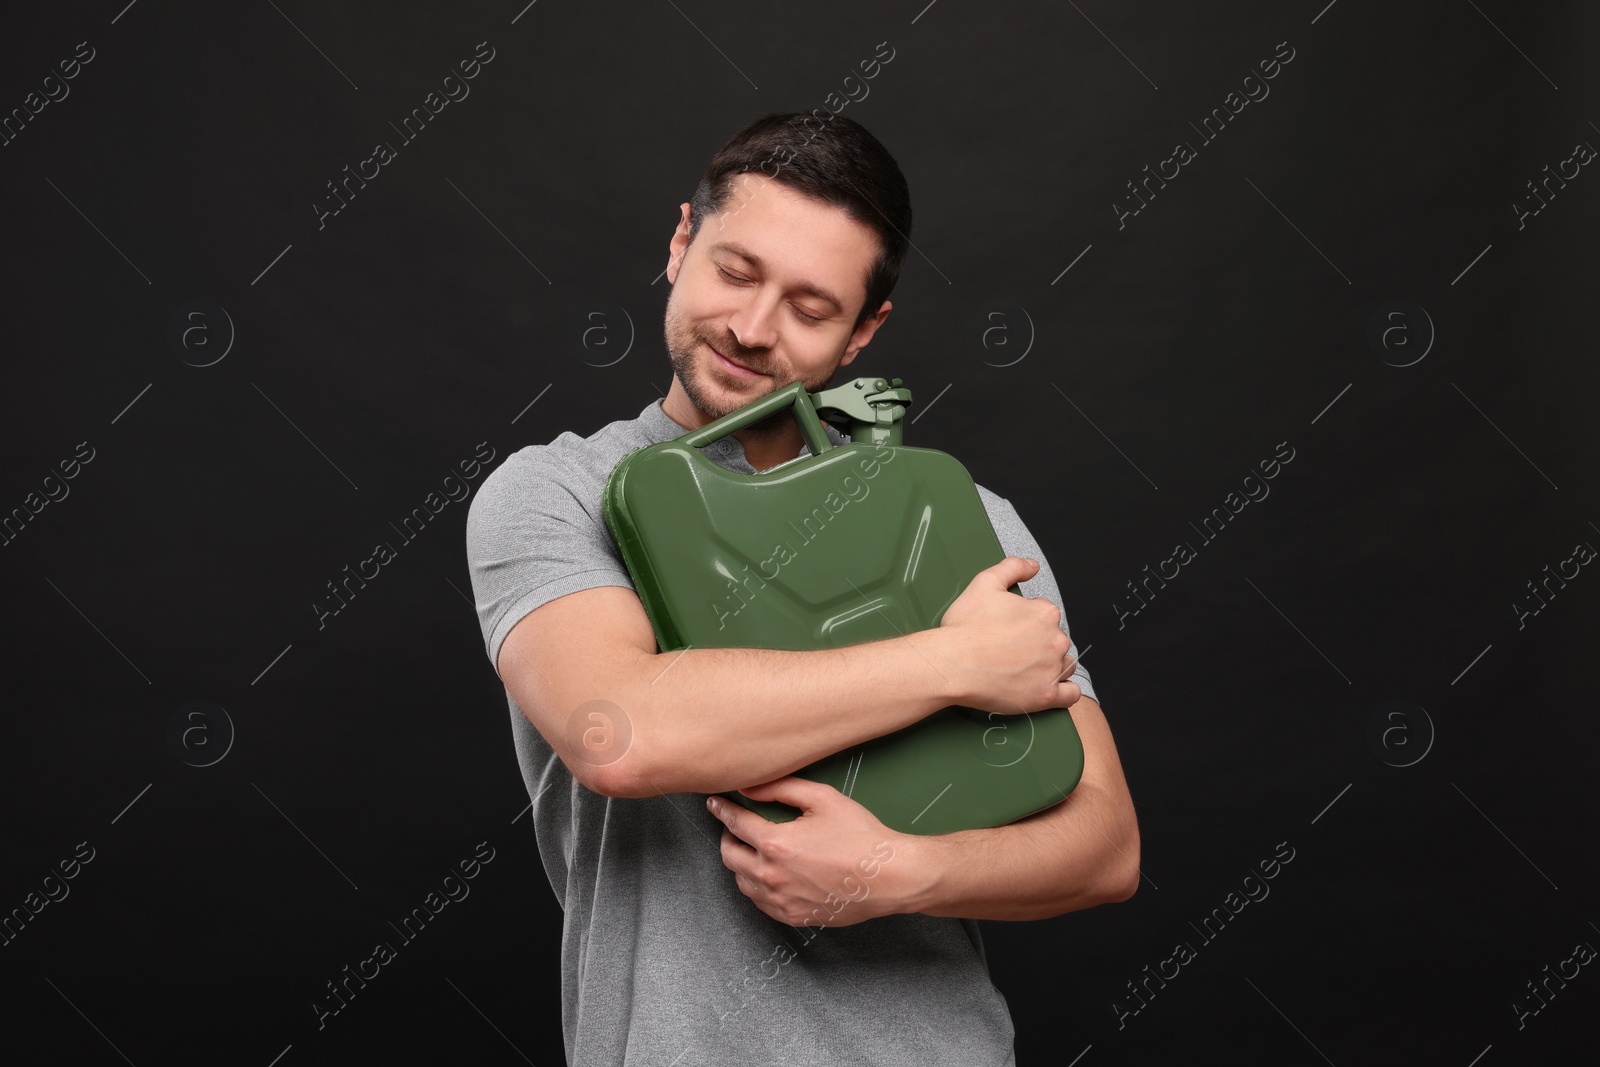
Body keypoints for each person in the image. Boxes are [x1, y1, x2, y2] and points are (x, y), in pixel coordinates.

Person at [465, 112, 1139, 1066]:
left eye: (812, 308)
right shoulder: (556, 494)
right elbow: (622, 732)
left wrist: (900, 871)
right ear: (680, 243)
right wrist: (954, 661)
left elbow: (1107, 846)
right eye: (735, 272)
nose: (751, 327)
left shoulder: (960, 516)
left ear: (866, 331)